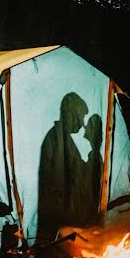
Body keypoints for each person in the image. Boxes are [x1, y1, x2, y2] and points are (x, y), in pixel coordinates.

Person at [38, 92, 87, 241]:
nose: (82, 123)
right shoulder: (56, 140)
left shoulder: (64, 140)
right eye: (81, 117)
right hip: (56, 210)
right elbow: (59, 177)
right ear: (71, 114)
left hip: (60, 208)